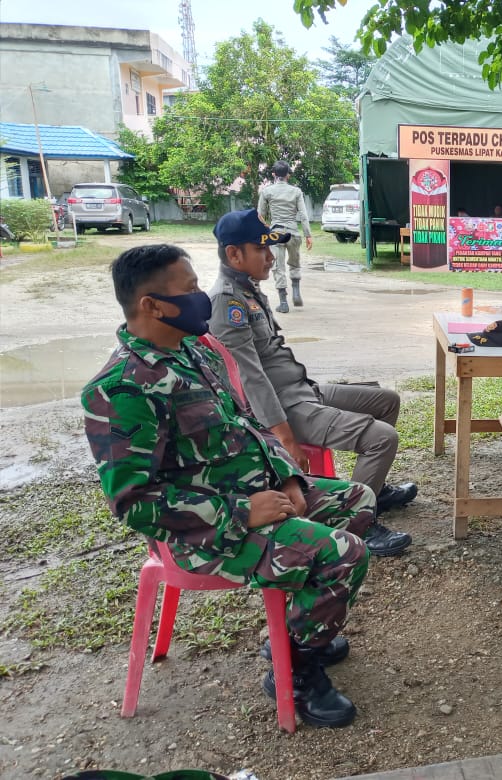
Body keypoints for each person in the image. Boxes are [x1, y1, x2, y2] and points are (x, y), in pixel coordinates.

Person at [82, 243, 371, 728]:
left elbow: (250, 423)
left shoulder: (194, 352)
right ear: (151, 305)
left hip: (263, 495)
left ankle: (302, 627)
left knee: (357, 499)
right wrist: (242, 512)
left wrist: (288, 477)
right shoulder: (121, 389)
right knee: (344, 552)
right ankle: (296, 674)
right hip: (204, 535)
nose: (202, 298)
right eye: (190, 289)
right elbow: (133, 503)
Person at [207, 209, 414, 557]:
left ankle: (371, 491)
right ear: (234, 254)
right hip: (283, 407)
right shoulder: (227, 302)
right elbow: (251, 379)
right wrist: (285, 438)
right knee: (382, 437)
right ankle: (355, 522)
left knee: (386, 400)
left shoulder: (248, 290)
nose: (271, 257)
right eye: (262, 249)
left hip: (304, 391)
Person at [257, 160, 313, 314]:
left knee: (278, 268)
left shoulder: (267, 192)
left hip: (276, 234)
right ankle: (296, 292)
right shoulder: (296, 191)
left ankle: (283, 302)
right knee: (294, 263)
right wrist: (308, 235)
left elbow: (260, 215)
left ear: (274, 174)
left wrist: (266, 229)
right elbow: (303, 214)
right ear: (288, 174)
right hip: (293, 232)